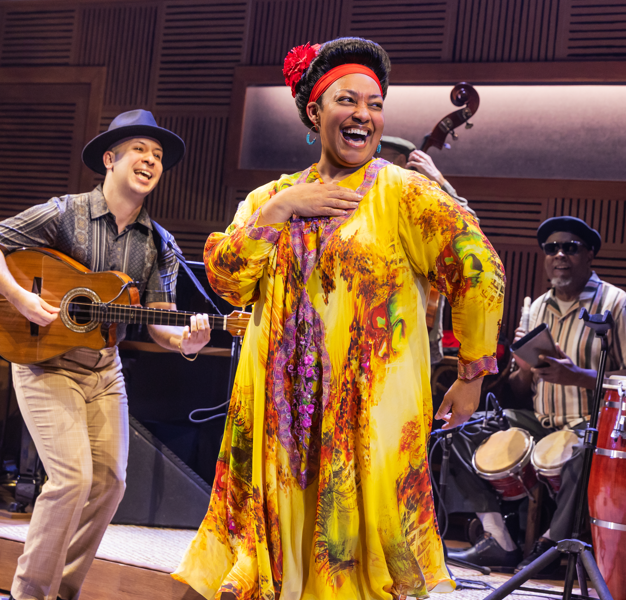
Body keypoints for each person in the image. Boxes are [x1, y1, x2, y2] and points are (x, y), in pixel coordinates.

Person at [173, 37, 505, 599]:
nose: (364, 116)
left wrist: (471, 374)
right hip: (279, 422)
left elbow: (479, 270)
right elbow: (229, 282)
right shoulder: (268, 198)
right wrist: (281, 211)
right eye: (347, 101)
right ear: (313, 111)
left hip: (366, 417)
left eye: (375, 104)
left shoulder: (403, 194)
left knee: (359, 558)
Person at [0, 109, 212, 600]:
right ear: (110, 159)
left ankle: (64, 591)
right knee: (72, 478)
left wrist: (187, 341)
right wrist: (20, 297)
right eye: (140, 150)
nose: (150, 160)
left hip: (105, 370)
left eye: (158, 155)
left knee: (111, 483)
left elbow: (160, 319)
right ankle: (30, 594)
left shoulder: (159, 243)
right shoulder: (65, 212)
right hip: (45, 363)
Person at [447, 216, 626, 575]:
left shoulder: (618, 305)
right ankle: (499, 539)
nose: (560, 254)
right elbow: (516, 390)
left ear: (590, 254)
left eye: (570, 247)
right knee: (457, 430)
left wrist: (579, 376)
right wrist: (522, 367)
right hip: (541, 421)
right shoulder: (538, 307)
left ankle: (548, 548)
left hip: (593, 425)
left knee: (582, 454)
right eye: (551, 248)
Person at [378, 137, 478, 366]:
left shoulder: (422, 206)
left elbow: (470, 227)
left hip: (414, 337)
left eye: (379, 158)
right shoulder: (369, 201)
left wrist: (439, 181)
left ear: (402, 161)